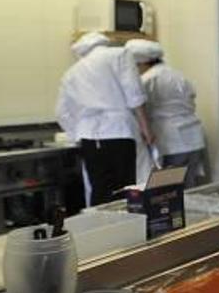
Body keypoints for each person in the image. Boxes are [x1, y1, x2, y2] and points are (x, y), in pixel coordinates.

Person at [56, 32, 155, 206]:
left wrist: (76, 134)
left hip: (89, 138)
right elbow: (134, 94)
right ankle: (127, 228)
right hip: (119, 132)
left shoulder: (71, 72)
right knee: (125, 188)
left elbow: (62, 113)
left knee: (99, 189)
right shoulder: (119, 54)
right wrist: (146, 128)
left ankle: (102, 229)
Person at [127, 39, 208, 188]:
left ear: (141, 63)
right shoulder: (177, 75)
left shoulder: (147, 80)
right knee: (188, 188)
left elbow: (140, 108)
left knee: (169, 192)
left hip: (171, 141)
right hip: (193, 137)